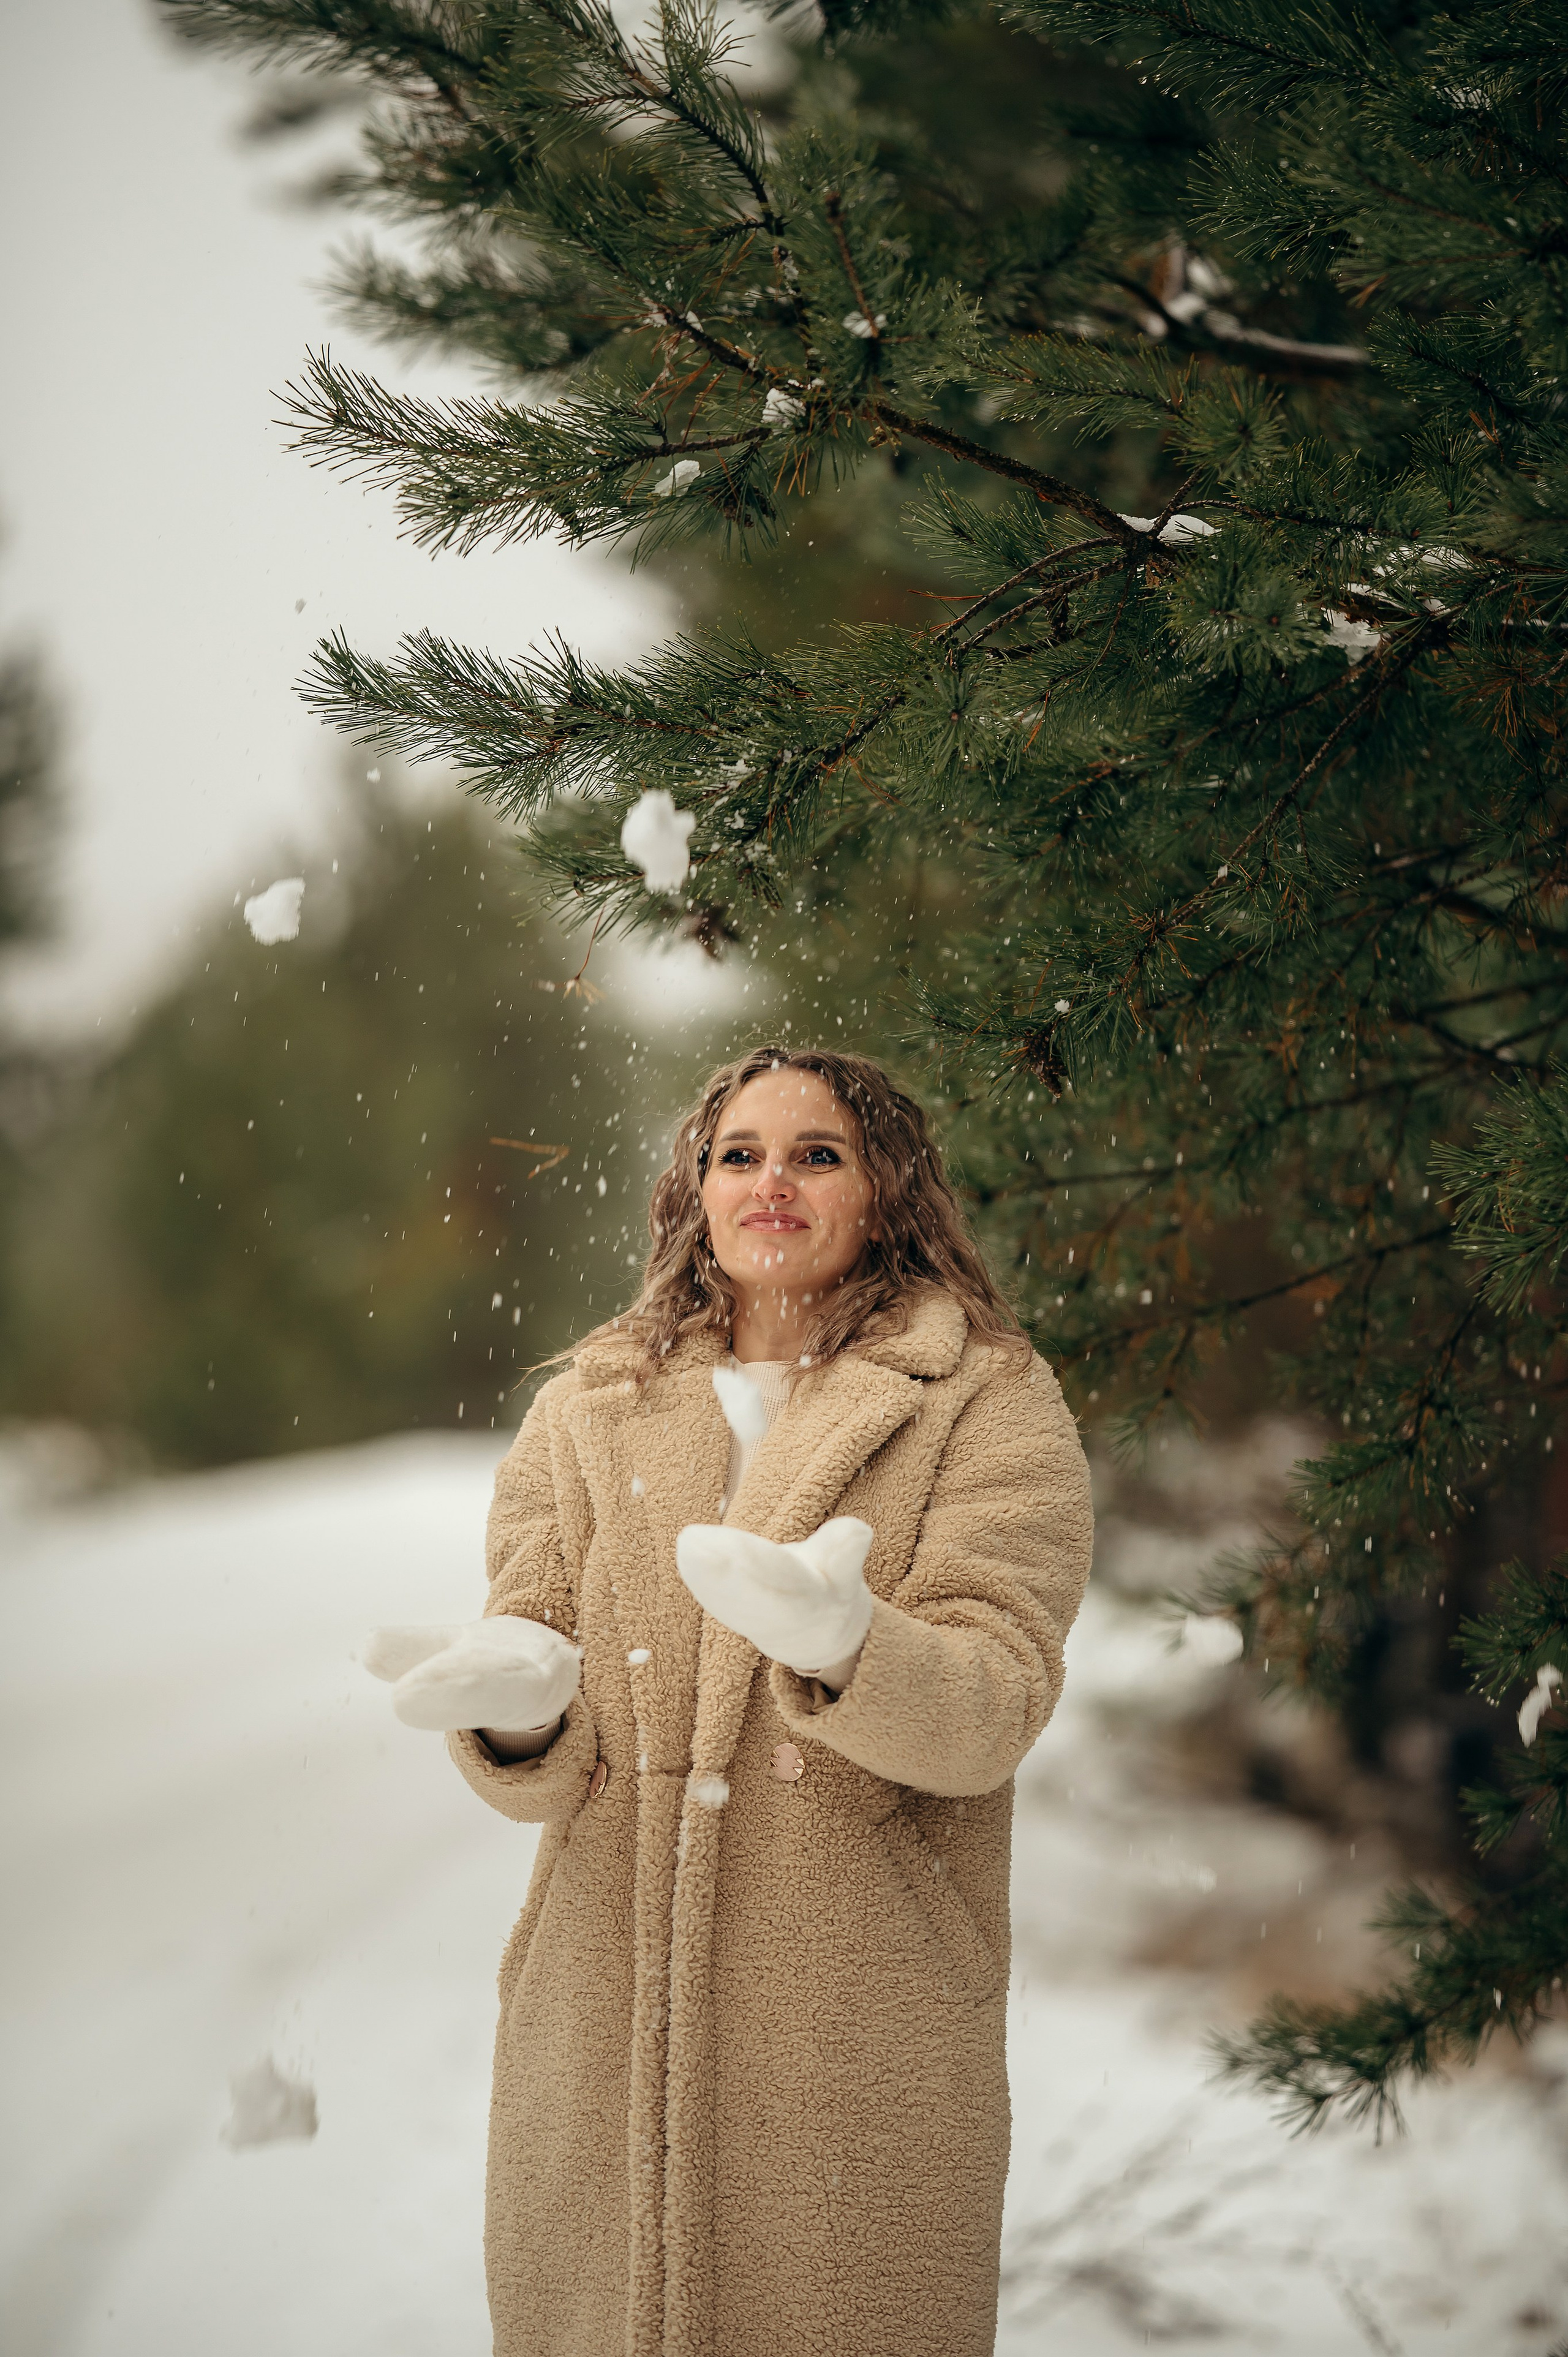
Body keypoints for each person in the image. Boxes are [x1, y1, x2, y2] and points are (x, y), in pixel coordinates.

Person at [364, 1045, 1093, 2357]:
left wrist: (849, 1645)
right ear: (693, 1189)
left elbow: (994, 1701)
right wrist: (523, 1703)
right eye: (737, 1154)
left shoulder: (983, 1397)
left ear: (886, 1191)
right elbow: (537, 1641)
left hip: (855, 2027)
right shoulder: (590, 1406)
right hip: (602, 2013)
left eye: (818, 1153)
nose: (772, 1181)